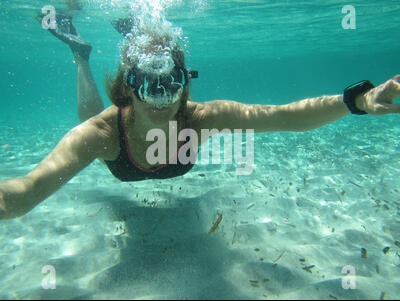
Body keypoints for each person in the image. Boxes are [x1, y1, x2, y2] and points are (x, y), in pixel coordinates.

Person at [1, 12, 399, 220]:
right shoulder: (100, 134)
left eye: (169, 82)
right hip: (110, 139)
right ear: (128, 87)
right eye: (146, 83)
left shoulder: (203, 117)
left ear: (184, 83)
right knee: (87, 116)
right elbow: (27, 191)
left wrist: (358, 101)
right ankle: (80, 55)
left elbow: (283, 116)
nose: (159, 97)